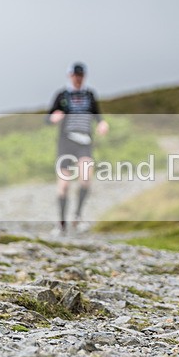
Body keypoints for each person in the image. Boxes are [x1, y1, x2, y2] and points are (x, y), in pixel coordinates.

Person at [48, 62, 109, 235]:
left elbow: (97, 115)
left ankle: (77, 216)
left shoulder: (89, 95)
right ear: (70, 76)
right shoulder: (62, 95)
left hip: (85, 142)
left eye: (80, 76)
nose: (78, 79)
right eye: (75, 75)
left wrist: (102, 124)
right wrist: (53, 118)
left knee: (85, 179)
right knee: (64, 184)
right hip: (66, 143)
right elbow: (49, 116)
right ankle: (61, 223)